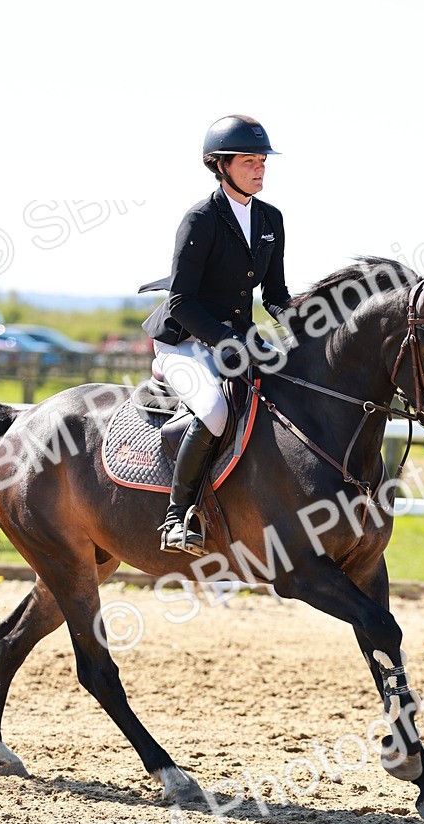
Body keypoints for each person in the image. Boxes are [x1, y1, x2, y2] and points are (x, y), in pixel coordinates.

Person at [143, 114, 292, 554]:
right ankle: (176, 517)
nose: (260, 167)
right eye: (250, 160)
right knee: (213, 410)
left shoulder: (271, 219)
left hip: (236, 337)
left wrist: (306, 325)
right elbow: (181, 303)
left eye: (263, 159)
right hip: (183, 340)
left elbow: (276, 294)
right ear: (221, 165)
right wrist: (228, 343)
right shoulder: (200, 220)